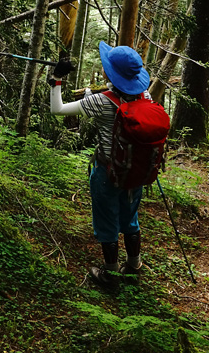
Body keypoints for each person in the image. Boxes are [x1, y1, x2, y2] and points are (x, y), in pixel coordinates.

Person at [48, 41, 151, 290]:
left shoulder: (101, 102)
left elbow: (57, 109)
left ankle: (111, 275)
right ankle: (134, 265)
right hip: (136, 171)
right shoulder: (145, 96)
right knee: (130, 217)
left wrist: (56, 78)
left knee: (107, 221)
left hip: (107, 172)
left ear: (109, 73)